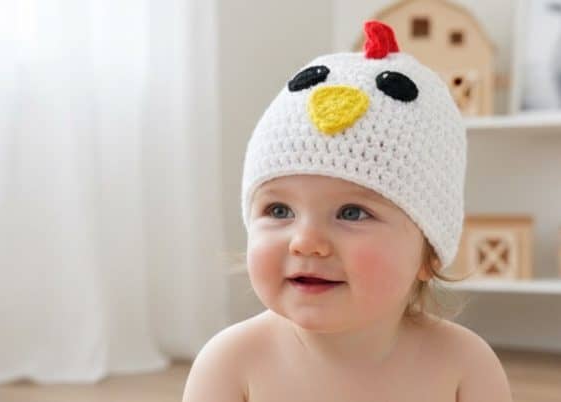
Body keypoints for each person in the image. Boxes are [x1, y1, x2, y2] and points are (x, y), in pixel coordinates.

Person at [182, 20, 513, 402]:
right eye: (278, 209)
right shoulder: (231, 363)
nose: (306, 242)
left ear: (429, 253)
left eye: (352, 213)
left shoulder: (462, 365)